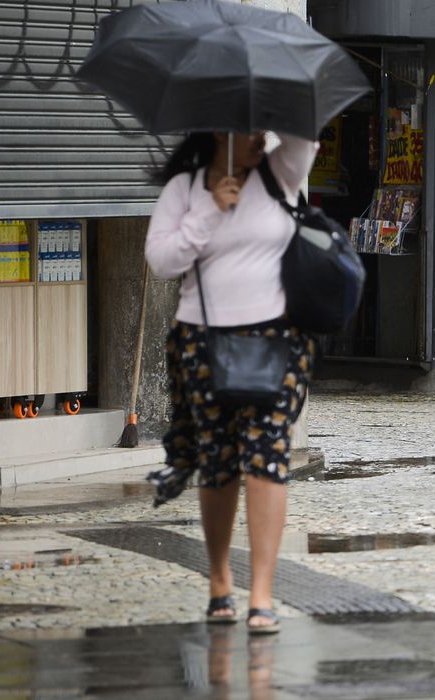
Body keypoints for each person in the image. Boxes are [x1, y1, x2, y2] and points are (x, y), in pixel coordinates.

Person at [145, 130, 318, 633]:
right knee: (218, 461)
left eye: (261, 127)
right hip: (202, 341)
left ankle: (261, 593)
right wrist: (209, 210)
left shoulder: (280, 172)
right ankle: (220, 579)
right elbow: (162, 262)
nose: (256, 139)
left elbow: (304, 135)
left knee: (267, 455)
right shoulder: (186, 187)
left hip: (275, 339)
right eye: (246, 129)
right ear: (216, 131)